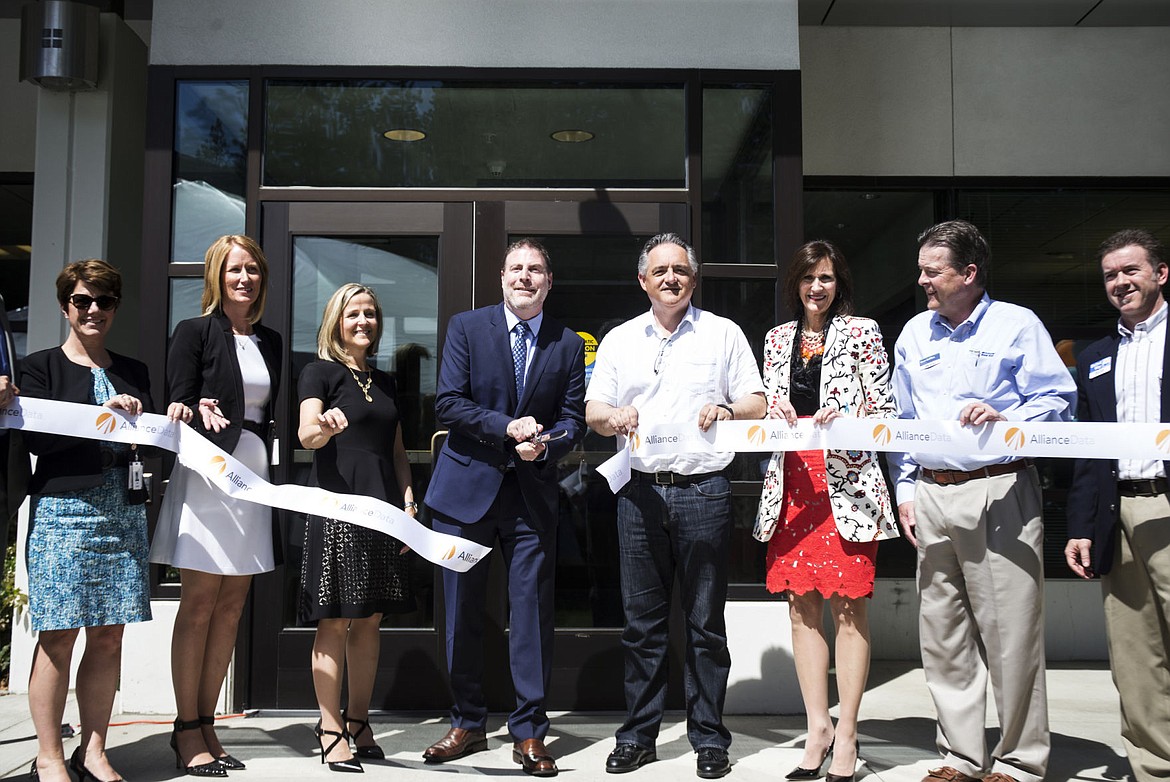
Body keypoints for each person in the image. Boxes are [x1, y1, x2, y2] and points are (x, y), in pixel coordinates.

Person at [889, 220, 1075, 782]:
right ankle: (961, 757)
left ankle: (1019, 761)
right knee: (942, 634)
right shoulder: (915, 335)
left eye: (932, 270)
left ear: (969, 273)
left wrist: (1008, 419)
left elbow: (1058, 399)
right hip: (932, 492)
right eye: (921, 268)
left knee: (1010, 634)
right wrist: (905, 490)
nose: (921, 279)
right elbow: (903, 424)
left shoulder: (1017, 324)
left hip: (1000, 489)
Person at [585, 232, 765, 780]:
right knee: (642, 625)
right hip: (638, 493)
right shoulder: (619, 339)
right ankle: (639, 735)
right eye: (659, 270)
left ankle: (709, 737)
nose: (671, 278)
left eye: (680, 270)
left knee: (706, 623)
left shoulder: (723, 334)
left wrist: (727, 408)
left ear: (693, 279)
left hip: (704, 490)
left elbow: (757, 401)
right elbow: (594, 407)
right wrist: (612, 418)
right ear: (642, 280)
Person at [21, 260, 191, 782]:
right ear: (65, 306)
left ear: (115, 307)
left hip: (124, 511)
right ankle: (50, 755)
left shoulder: (134, 370)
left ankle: (93, 750)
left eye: (104, 301)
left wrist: (175, 420)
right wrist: (101, 417)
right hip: (63, 513)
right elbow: (37, 440)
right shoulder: (40, 368)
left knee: (110, 635)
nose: (93, 310)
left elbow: (150, 439)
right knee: (57, 635)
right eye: (82, 301)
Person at [422, 238, 585, 777]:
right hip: (466, 492)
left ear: (548, 281)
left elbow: (572, 418)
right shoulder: (468, 328)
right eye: (516, 268)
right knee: (461, 612)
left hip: (531, 496)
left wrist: (548, 444)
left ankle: (530, 731)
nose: (524, 277)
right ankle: (466, 722)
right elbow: (448, 401)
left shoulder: (566, 343)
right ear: (501, 277)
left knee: (532, 615)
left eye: (535, 269)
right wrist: (505, 427)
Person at [753, 240, 898, 782]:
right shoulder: (775, 339)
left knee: (849, 609)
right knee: (800, 607)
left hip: (849, 482)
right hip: (791, 481)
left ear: (841, 285)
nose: (818, 287)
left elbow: (886, 407)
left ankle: (849, 733)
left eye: (828, 278)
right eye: (809, 277)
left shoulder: (863, 332)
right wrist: (777, 406)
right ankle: (817, 726)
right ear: (794, 282)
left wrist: (854, 412)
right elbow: (765, 404)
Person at [150, 235, 283, 777]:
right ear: (216, 277)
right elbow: (175, 401)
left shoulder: (269, 340)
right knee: (201, 603)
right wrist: (192, 405)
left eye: (252, 269)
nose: (244, 278)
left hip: (253, 474)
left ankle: (208, 722)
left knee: (233, 605)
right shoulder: (195, 331)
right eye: (234, 270)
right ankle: (186, 729)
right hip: (209, 473)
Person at [297, 284, 416, 773]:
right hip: (338, 509)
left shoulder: (385, 382)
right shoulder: (319, 371)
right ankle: (329, 728)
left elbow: (396, 450)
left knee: (369, 620)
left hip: (383, 509)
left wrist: (408, 498)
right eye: (354, 314)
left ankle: (360, 721)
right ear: (336, 322)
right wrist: (324, 426)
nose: (363, 321)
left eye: (370, 314)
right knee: (335, 618)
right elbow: (306, 434)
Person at [1065, 229, 1170, 782]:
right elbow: (1088, 451)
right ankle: (1154, 769)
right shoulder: (1097, 355)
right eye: (1110, 275)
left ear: (1160, 274)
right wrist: (1079, 525)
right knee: (1134, 654)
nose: (1120, 283)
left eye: (1131, 271)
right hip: (1118, 514)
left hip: (1168, 507)